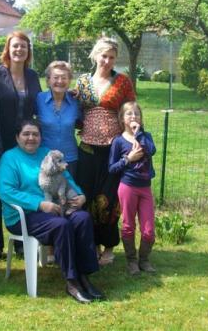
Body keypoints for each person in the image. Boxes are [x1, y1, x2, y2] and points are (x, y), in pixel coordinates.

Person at [0, 120, 103, 303]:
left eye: (35, 134)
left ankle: (84, 275)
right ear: (17, 137)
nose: (31, 138)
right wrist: (39, 204)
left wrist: (80, 194)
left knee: (83, 218)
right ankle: (72, 282)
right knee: (61, 225)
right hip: (23, 216)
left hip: (55, 207)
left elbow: (66, 177)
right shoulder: (9, 158)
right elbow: (6, 191)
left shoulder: (47, 153)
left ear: (40, 137)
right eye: (26, 134)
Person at [76, 37, 136, 266]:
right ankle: (92, 244)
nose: (107, 61)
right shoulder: (82, 81)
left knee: (110, 199)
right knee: (87, 197)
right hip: (87, 149)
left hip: (114, 149)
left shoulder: (122, 82)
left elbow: (131, 111)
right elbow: (77, 110)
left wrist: (135, 138)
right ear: (95, 55)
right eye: (104, 56)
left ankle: (109, 247)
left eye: (112, 57)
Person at [0, 31, 42, 262]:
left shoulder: (33, 76)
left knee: (24, 188)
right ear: (7, 49)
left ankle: (22, 240)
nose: (19, 50)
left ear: (28, 51)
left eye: (24, 47)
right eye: (15, 46)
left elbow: (39, 103)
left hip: (25, 143)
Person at [108, 102, 156, 275]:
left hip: (145, 189)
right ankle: (132, 261)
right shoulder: (118, 141)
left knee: (149, 230)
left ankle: (144, 259)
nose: (133, 116)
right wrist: (128, 158)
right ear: (122, 119)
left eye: (136, 113)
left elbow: (151, 151)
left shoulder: (146, 136)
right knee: (128, 225)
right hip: (127, 187)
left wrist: (139, 134)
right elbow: (112, 168)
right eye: (129, 114)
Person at [36, 61, 81, 177]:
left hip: (69, 158)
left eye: (64, 78)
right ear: (48, 80)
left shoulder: (76, 101)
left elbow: (83, 122)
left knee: (69, 192)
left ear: (69, 80)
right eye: (55, 77)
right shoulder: (39, 99)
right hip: (45, 157)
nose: (60, 81)